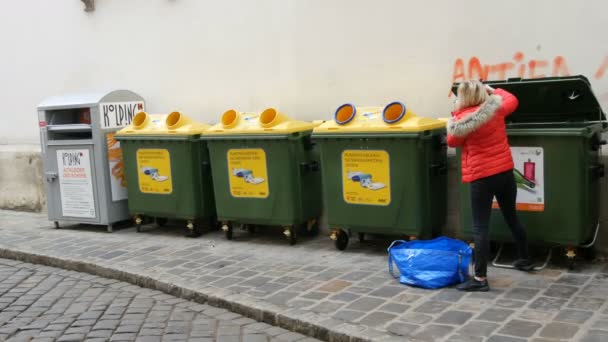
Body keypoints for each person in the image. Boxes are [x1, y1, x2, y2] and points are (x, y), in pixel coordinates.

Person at [447, 80, 534, 292]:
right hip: (504, 173)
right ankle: (525, 259)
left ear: (463, 98)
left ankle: (479, 278)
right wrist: (493, 90)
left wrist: (455, 114)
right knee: (511, 216)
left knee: (480, 227)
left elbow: (451, 141)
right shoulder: (496, 109)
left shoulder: (462, 121)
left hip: (481, 178)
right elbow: (512, 100)